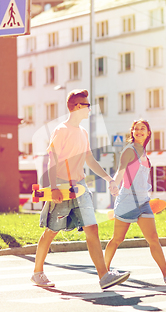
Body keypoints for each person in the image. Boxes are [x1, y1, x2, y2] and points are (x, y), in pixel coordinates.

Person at [31, 89, 130, 290]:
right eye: (86, 105)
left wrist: (109, 178)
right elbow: (52, 159)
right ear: (77, 107)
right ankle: (37, 272)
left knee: (92, 228)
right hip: (62, 186)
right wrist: (53, 188)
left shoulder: (83, 132)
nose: (89, 109)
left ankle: (104, 276)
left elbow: (89, 160)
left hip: (80, 187)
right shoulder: (61, 130)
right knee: (51, 231)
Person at [104, 119, 166, 284]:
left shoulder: (144, 153)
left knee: (153, 238)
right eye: (136, 129)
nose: (139, 131)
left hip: (143, 202)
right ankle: (104, 272)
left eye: (143, 129)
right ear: (132, 132)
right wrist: (114, 184)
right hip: (127, 200)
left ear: (148, 133)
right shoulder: (129, 150)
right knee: (117, 239)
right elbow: (120, 171)